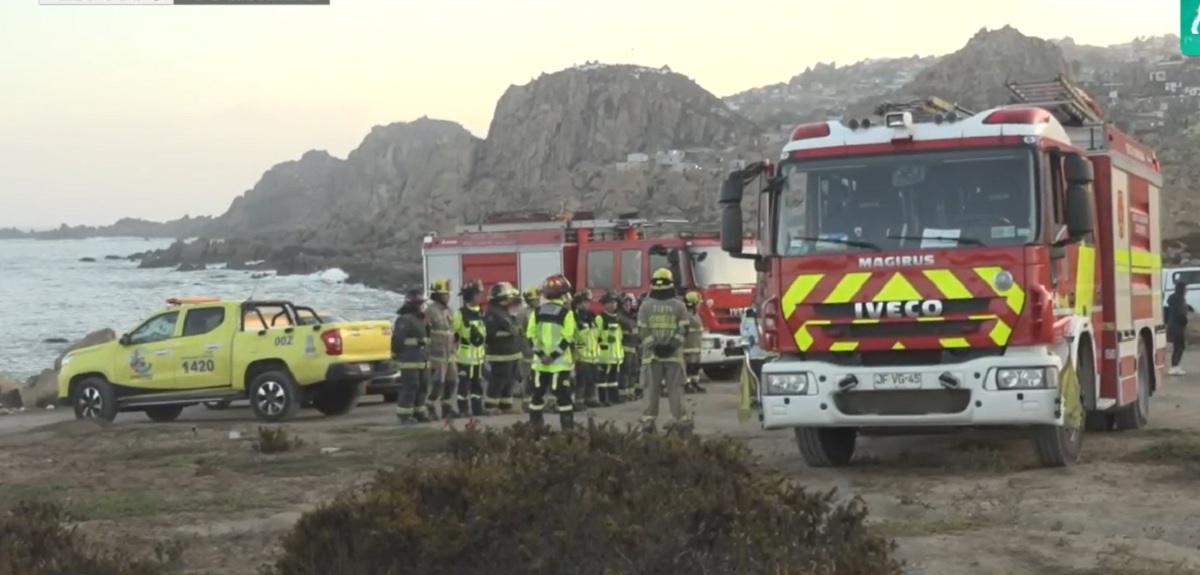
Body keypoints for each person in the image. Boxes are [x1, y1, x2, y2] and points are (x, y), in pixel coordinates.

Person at [638, 268, 691, 432]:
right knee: (676, 390)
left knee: (651, 390)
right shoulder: (679, 306)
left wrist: (655, 347)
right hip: (674, 356)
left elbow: (642, 330)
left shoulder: (645, 306)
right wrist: (671, 346)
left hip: (651, 357)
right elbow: (684, 330)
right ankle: (681, 422)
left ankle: (648, 424)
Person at [527, 274, 578, 430]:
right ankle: (567, 431)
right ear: (563, 294)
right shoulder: (566, 313)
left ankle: (535, 429)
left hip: (540, 364)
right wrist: (553, 355)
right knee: (564, 398)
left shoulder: (536, 312)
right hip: (560, 365)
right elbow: (567, 337)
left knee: (537, 396)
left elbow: (531, 336)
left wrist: (542, 354)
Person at [392, 289, 430, 424]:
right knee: (410, 387)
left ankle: (419, 412)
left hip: (421, 360)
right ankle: (405, 415)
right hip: (409, 361)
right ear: (414, 305)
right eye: (421, 304)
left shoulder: (420, 319)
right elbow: (397, 341)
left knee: (422, 387)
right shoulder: (404, 320)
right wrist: (396, 355)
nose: (423, 306)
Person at [484, 282, 523, 413]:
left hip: (511, 353)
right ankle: (491, 406)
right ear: (502, 298)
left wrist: (516, 330)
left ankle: (506, 405)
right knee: (498, 380)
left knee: (510, 380)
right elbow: (490, 334)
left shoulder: (504, 311)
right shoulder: (492, 313)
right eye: (509, 298)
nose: (512, 301)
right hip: (500, 354)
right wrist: (509, 332)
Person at [453, 279, 489, 416]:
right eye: (478, 294)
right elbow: (453, 333)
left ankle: (477, 409)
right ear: (470, 295)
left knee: (477, 385)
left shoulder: (481, 311)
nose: (480, 296)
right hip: (465, 358)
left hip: (478, 358)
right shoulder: (460, 314)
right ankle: (463, 410)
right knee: (464, 385)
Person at [425, 278, 456, 420]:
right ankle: (430, 406)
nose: (448, 297)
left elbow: (452, 330)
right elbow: (425, 331)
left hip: (450, 354)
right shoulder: (430, 311)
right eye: (445, 294)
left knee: (452, 381)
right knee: (437, 383)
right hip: (437, 354)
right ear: (437, 295)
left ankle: (446, 407)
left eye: (448, 294)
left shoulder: (450, 310)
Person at [594, 291, 626, 405]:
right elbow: (595, 336)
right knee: (603, 379)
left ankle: (614, 397)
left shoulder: (617, 318)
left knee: (613, 378)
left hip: (615, 355)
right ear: (605, 304)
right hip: (604, 355)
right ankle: (604, 399)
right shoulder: (600, 318)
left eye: (615, 302)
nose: (614, 304)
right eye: (611, 302)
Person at [572, 290, 599, 410]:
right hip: (580, 355)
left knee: (591, 379)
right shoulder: (573, 317)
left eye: (588, 302)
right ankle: (578, 401)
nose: (588, 304)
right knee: (580, 380)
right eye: (585, 302)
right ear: (578, 303)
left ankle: (590, 399)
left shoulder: (591, 317)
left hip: (592, 355)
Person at [515, 285, 540, 412]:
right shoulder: (523, 313)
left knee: (535, 378)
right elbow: (521, 332)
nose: (538, 301)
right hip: (527, 349)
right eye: (536, 299)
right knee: (528, 377)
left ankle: (533, 401)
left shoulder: (537, 311)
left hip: (535, 348)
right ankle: (526, 402)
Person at [740, 306, 767, 408]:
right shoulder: (748, 314)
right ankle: (758, 398)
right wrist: (747, 342)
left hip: (767, 354)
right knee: (756, 379)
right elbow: (744, 331)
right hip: (754, 354)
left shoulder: (768, 310)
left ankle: (762, 399)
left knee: (763, 378)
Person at [618, 293, 641, 401]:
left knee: (634, 371)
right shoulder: (620, 317)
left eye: (629, 305)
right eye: (626, 305)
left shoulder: (631, 317)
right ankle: (623, 393)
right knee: (625, 371)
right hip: (625, 347)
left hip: (633, 347)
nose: (628, 307)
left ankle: (631, 392)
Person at [682, 291, 706, 394]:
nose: (699, 305)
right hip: (688, 347)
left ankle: (694, 383)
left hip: (696, 346)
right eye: (698, 303)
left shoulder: (695, 315)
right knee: (689, 367)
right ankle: (686, 384)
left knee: (696, 366)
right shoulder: (686, 316)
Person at [1168, 281, 1191, 375]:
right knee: (1180, 346)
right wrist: (1185, 321)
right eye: (1185, 288)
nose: (1186, 290)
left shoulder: (1174, 298)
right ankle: (1174, 366)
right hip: (1178, 325)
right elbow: (1180, 313)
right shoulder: (1180, 299)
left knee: (1177, 346)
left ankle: (1175, 365)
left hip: (1173, 324)